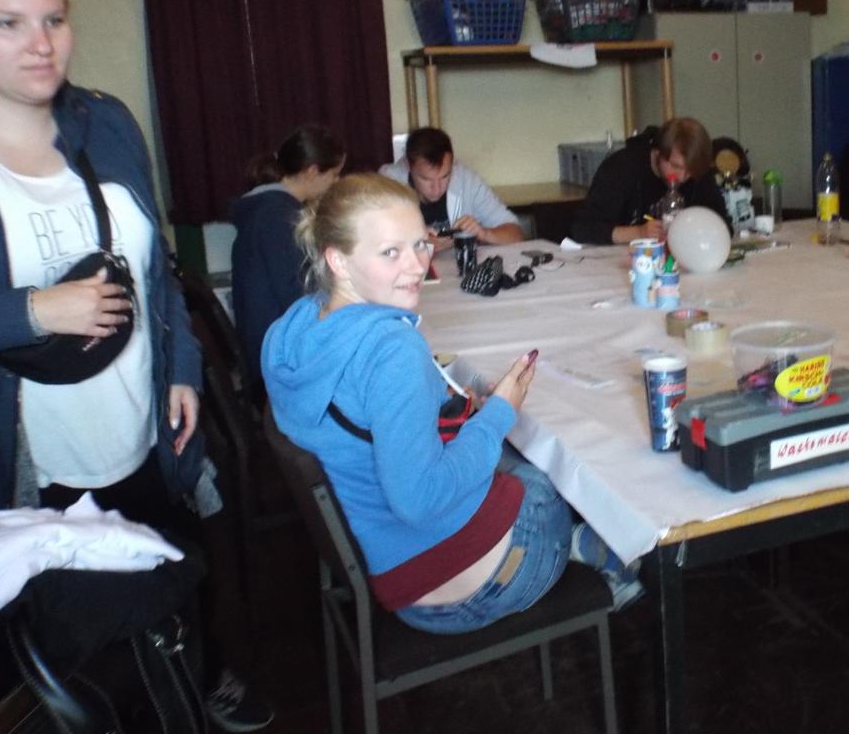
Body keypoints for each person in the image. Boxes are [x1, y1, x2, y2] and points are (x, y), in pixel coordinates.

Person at [0, 0, 272, 731]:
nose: (41, 43)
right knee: (65, 632)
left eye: (54, 19)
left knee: (169, 568)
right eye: (7, 22)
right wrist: (32, 311)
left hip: (142, 423)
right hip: (27, 457)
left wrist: (181, 366)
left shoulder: (104, 122)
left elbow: (157, 268)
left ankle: (197, 690)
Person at [262, 174, 637, 632]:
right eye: (390, 252)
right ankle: (583, 551)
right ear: (338, 259)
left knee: (511, 457)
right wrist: (501, 412)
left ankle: (583, 544)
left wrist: (445, 407)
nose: (416, 265)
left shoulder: (292, 329)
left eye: (421, 244)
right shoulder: (391, 349)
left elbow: (361, 420)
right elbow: (419, 500)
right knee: (547, 476)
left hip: (387, 556)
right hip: (455, 590)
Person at [230, 124, 344, 389]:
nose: (336, 182)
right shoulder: (276, 217)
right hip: (278, 358)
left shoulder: (271, 207)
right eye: (334, 174)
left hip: (274, 342)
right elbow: (297, 295)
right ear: (313, 171)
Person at [569, 117, 731, 245]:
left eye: (689, 171)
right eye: (676, 166)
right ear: (657, 153)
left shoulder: (698, 172)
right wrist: (638, 233)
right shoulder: (622, 168)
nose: (682, 177)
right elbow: (583, 228)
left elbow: (723, 226)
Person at [379, 126, 523, 253]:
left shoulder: (466, 180)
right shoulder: (388, 185)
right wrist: (419, 245)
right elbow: (375, 246)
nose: (437, 188)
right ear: (408, 166)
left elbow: (516, 233)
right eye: (426, 179)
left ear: (452, 165)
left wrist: (484, 234)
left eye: (445, 176)